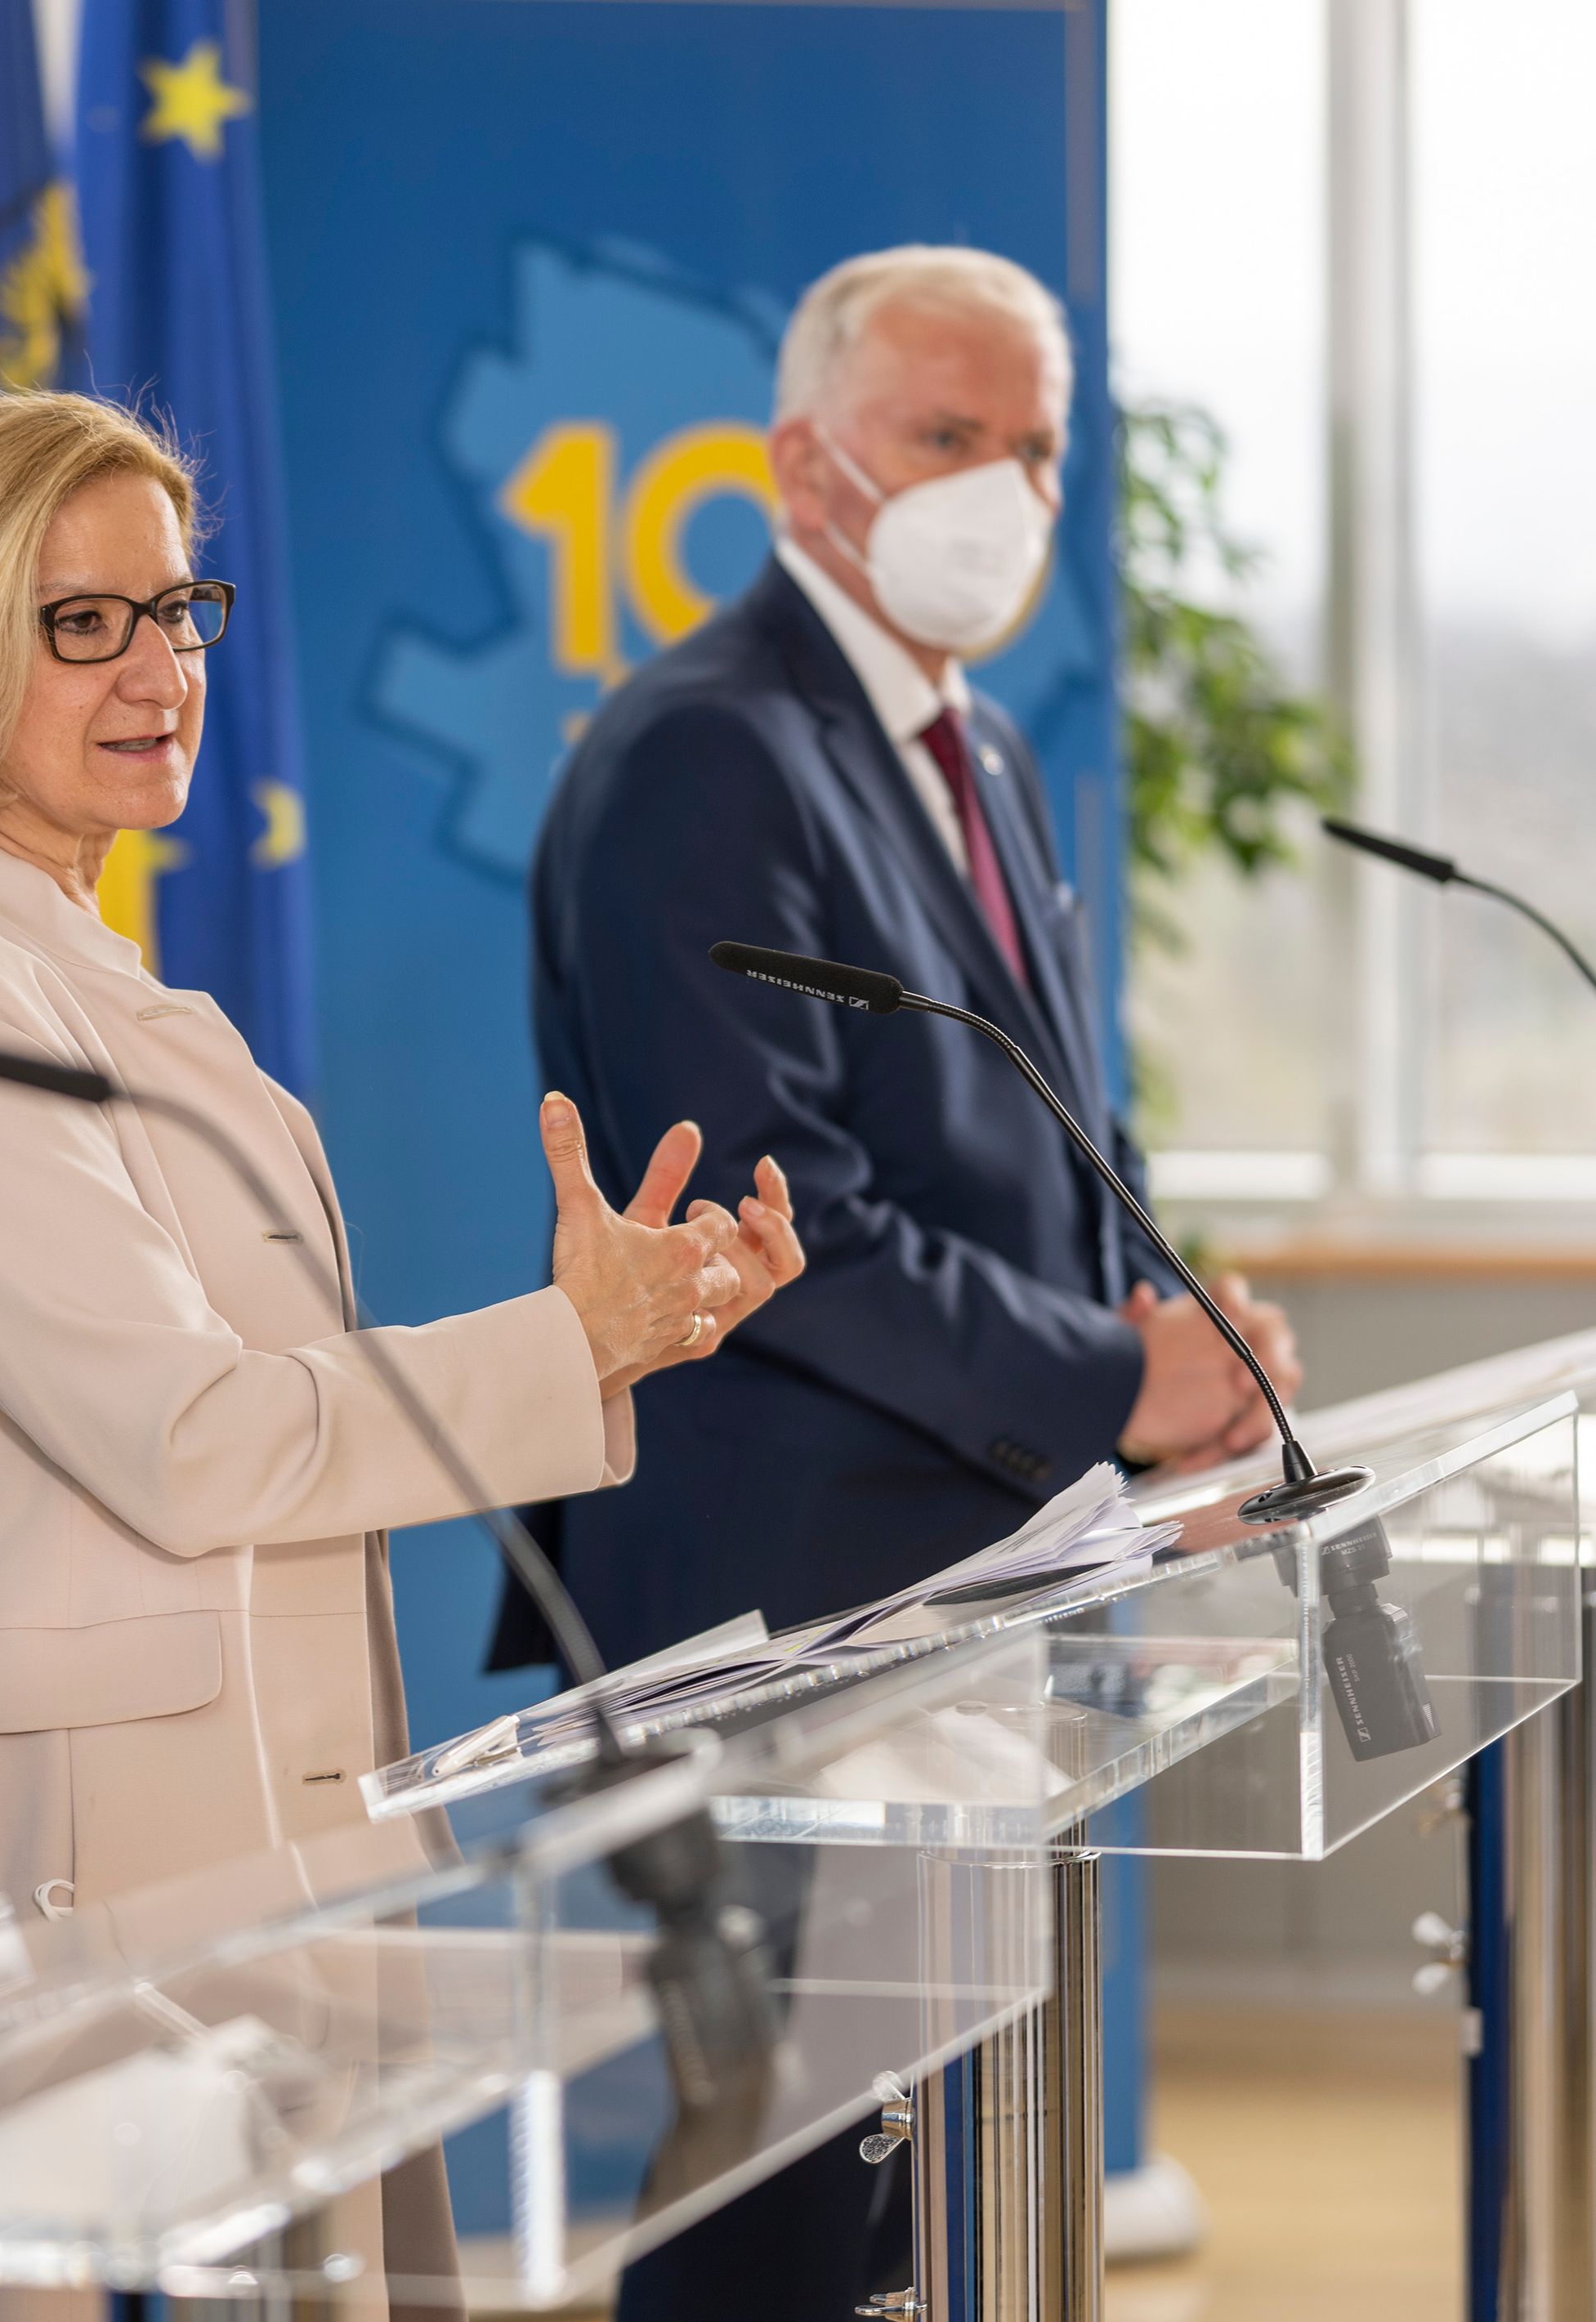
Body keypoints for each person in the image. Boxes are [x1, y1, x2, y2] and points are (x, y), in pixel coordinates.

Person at [0, 390, 808, 2315]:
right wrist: (553, 1344)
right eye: (82, 622)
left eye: (176, 609)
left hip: (224, 1824)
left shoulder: (64, 960)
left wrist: (609, 1338)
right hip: (67, 1862)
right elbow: (189, 1436)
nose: (159, 667)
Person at [524, 244, 1304, 2322]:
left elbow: (1052, 1116)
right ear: (802, 466)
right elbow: (772, 1227)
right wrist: (1104, 1377)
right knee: (786, 2201)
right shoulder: (708, 752)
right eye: (947, 438)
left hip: (975, 1587)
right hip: (789, 1606)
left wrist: (1191, 1343)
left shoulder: (985, 748)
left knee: (934, 2189)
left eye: (1036, 449)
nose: (1007, 493)